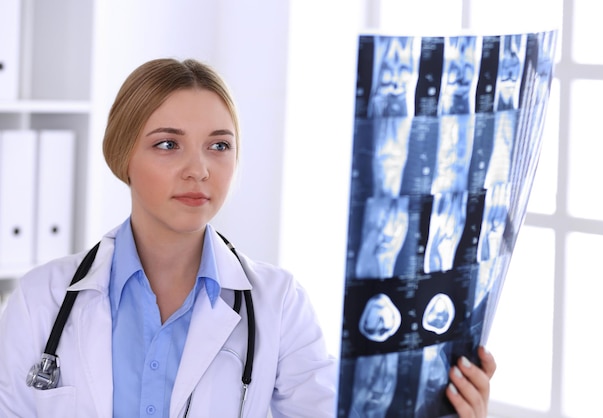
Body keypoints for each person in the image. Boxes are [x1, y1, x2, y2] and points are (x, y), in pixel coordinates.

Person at [0, 58, 496, 418]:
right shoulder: (42, 300)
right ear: (122, 154)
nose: (199, 170)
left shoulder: (278, 306)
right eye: (168, 144)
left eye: (219, 145)